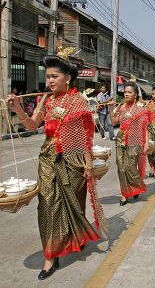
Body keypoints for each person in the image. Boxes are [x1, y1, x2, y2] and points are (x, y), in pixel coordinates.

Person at [7, 55, 105, 280]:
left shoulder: (78, 101)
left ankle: (75, 238)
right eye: (48, 76)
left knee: (74, 203)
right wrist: (18, 108)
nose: (50, 81)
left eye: (54, 76)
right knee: (47, 205)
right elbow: (32, 125)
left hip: (74, 158)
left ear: (67, 78)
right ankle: (50, 255)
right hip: (49, 156)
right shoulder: (46, 100)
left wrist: (88, 166)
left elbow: (86, 135)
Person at [110, 82, 150, 206]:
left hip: (135, 140)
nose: (126, 94)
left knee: (131, 167)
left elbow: (145, 128)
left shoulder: (141, 109)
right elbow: (114, 123)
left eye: (129, 92)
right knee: (121, 168)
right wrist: (111, 109)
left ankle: (135, 187)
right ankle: (124, 194)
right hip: (121, 140)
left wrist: (146, 143)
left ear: (135, 95)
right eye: (125, 92)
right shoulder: (121, 107)